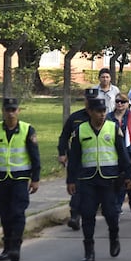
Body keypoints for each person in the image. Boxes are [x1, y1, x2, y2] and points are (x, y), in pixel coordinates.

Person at [67, 97, 131, 261]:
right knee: (88, 214)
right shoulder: (80, 130)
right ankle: (89, 250)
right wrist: (71, 180)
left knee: (111, 213)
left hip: (109, 180)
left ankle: (114, 237)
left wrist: (129, 175)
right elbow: (74, 158)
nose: (102, 114)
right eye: (98, 111)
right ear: (90, 112)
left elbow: (123, 154)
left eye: (104, 111)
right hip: (87, 179)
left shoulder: (113, 128)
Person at [0, 98, 41, 261]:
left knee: (17, 212)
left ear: (18, 111)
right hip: (0, 178)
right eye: (8, 110)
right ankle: (7, 247)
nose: (11, 113)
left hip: (20, 178)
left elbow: (35, 156)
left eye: (13, 110)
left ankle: (15, 247)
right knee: (4, 213)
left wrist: (35, 178)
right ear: (3, 112)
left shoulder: (27, 129)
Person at [57, 88, 100, 230]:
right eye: (88, 99)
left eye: (94, 99)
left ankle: (88, 213)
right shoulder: (75, 117)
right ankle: (75, 215)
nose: (91, 102)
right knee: (77, 186)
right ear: (85, 100)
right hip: (77, 158)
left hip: (96, 159)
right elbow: (64, 136)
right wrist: (62, 153)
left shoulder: (102, 117)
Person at [107, 93, 131, 219]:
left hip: (129, 153)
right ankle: (117, 207)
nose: (120, 104)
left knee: (129, 180)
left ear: (128, 104)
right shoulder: (109, 117)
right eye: (117, 101)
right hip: (113, 153)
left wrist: (130, 132)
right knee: (118, 181)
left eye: (123, 102)